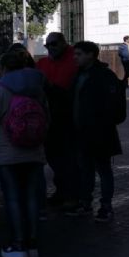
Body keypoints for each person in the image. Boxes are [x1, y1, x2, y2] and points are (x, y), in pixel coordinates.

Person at [0, 51, 48, 257]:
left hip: (6, 152)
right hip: (33, 150)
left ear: (3, 67)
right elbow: (47, 117)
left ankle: (18, 243)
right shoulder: (37, 88)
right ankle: (33, 243)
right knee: (31, 197)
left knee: (12, 197)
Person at [66, 41, 126, 223]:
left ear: (91, 54)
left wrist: (103, 123)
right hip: (81, 133)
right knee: (85, 170)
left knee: (103, 170)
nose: (75, 57)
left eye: (79, 54)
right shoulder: (78, 75)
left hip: (100, 133)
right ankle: (85, 203)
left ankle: (106, 206)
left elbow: (115, 106)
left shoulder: (104, 76)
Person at [36, 32, 80, 208]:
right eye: (48, 46)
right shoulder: (43, 63)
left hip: (68, 116)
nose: (50, 48)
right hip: (49, 117)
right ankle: (61, 191)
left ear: (63, 43)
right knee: (54, 157)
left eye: (53, 44)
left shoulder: (74, 59)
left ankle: (74, 195)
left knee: (70, 158)